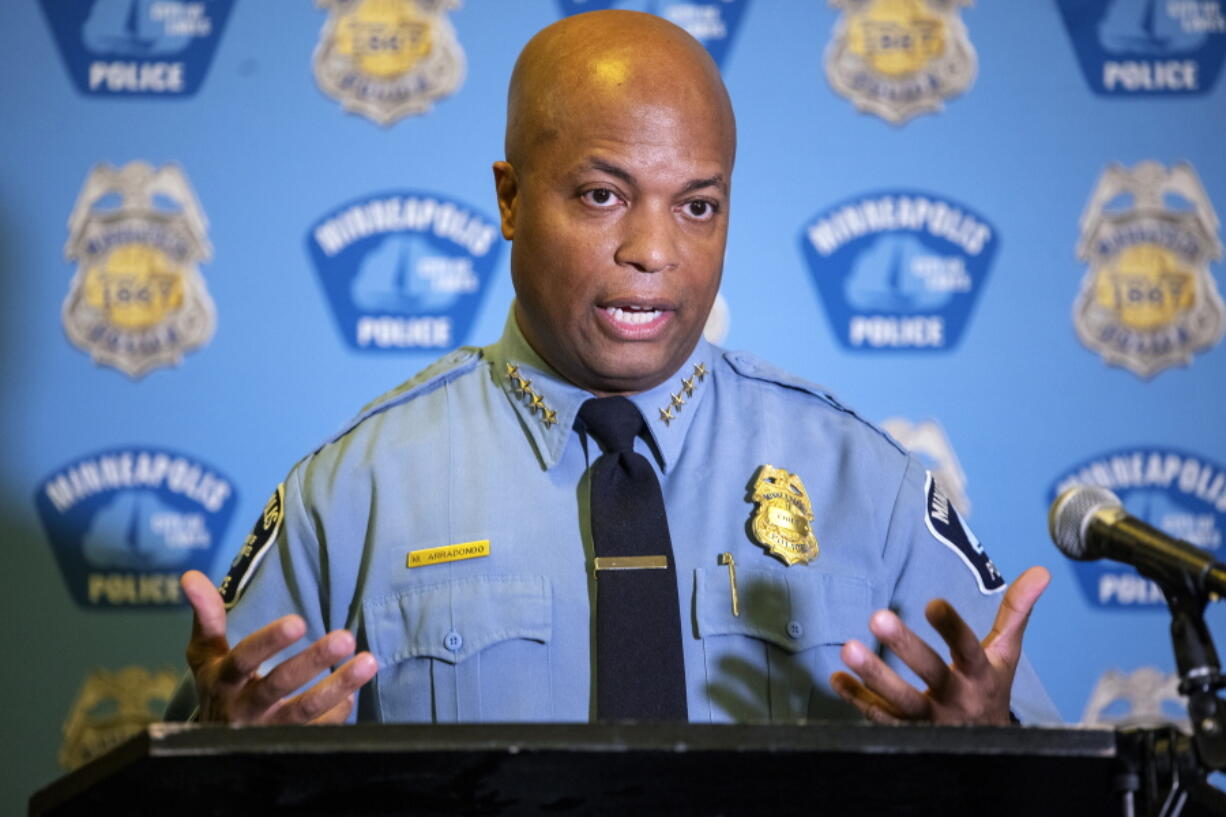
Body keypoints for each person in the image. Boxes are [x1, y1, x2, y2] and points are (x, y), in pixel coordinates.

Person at [169, 10, 1059, 727]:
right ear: (511, 198)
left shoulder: (870, 482)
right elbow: (199, 770)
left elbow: (1050, 776)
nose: (653, 251)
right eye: (604, 195)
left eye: (699, 206)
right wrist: (230, 760)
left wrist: (994, 755)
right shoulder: (351, 494)